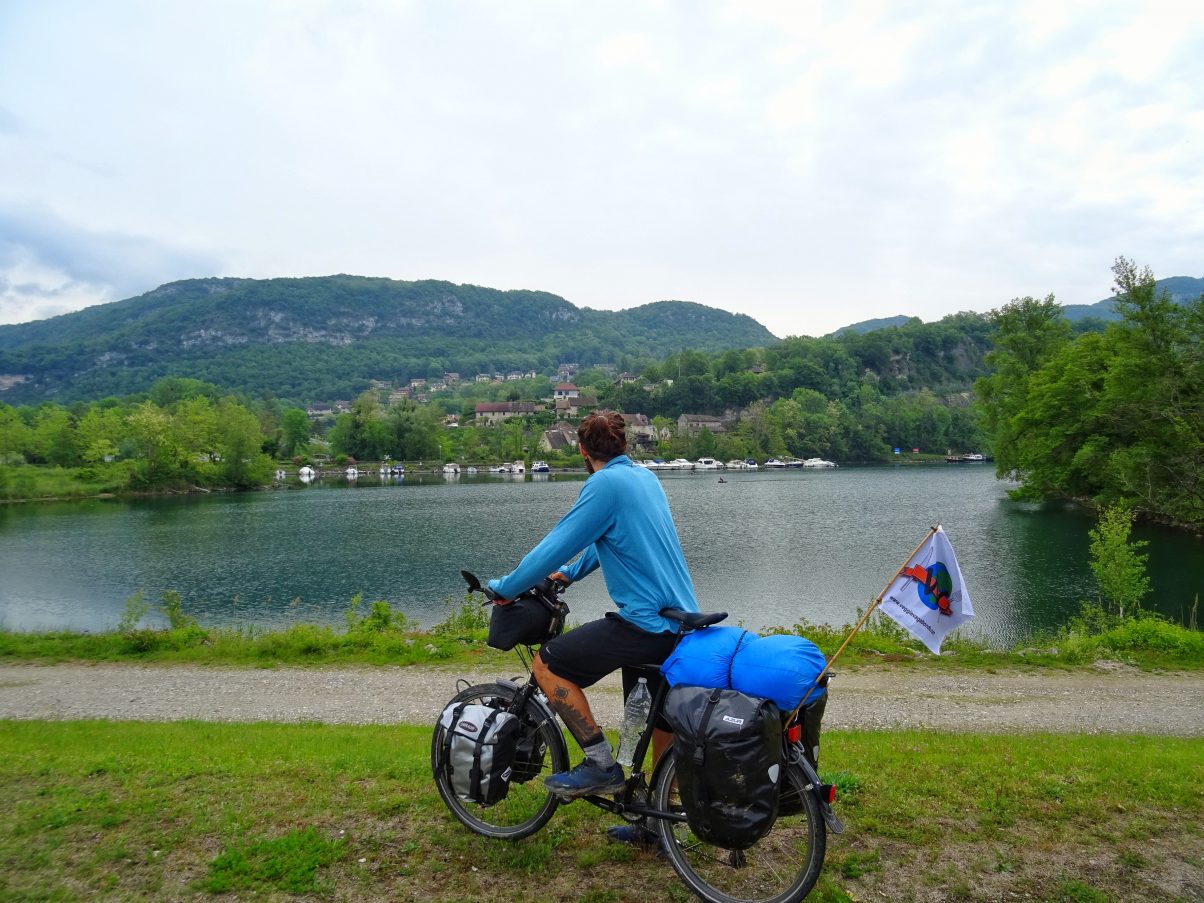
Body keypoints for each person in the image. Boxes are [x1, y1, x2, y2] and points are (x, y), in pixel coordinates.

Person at [487, 410, 699, 844]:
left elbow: (557, 543)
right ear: (624, 445)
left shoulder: (602, 484)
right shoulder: (645, 479)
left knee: (548, 664)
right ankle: (657, 827)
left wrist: (506, 588)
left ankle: (600, 764)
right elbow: (611, 541)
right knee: (655, 722)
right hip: (678, 621)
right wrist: (568, 574)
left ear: (583, 452)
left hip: (644, 623)